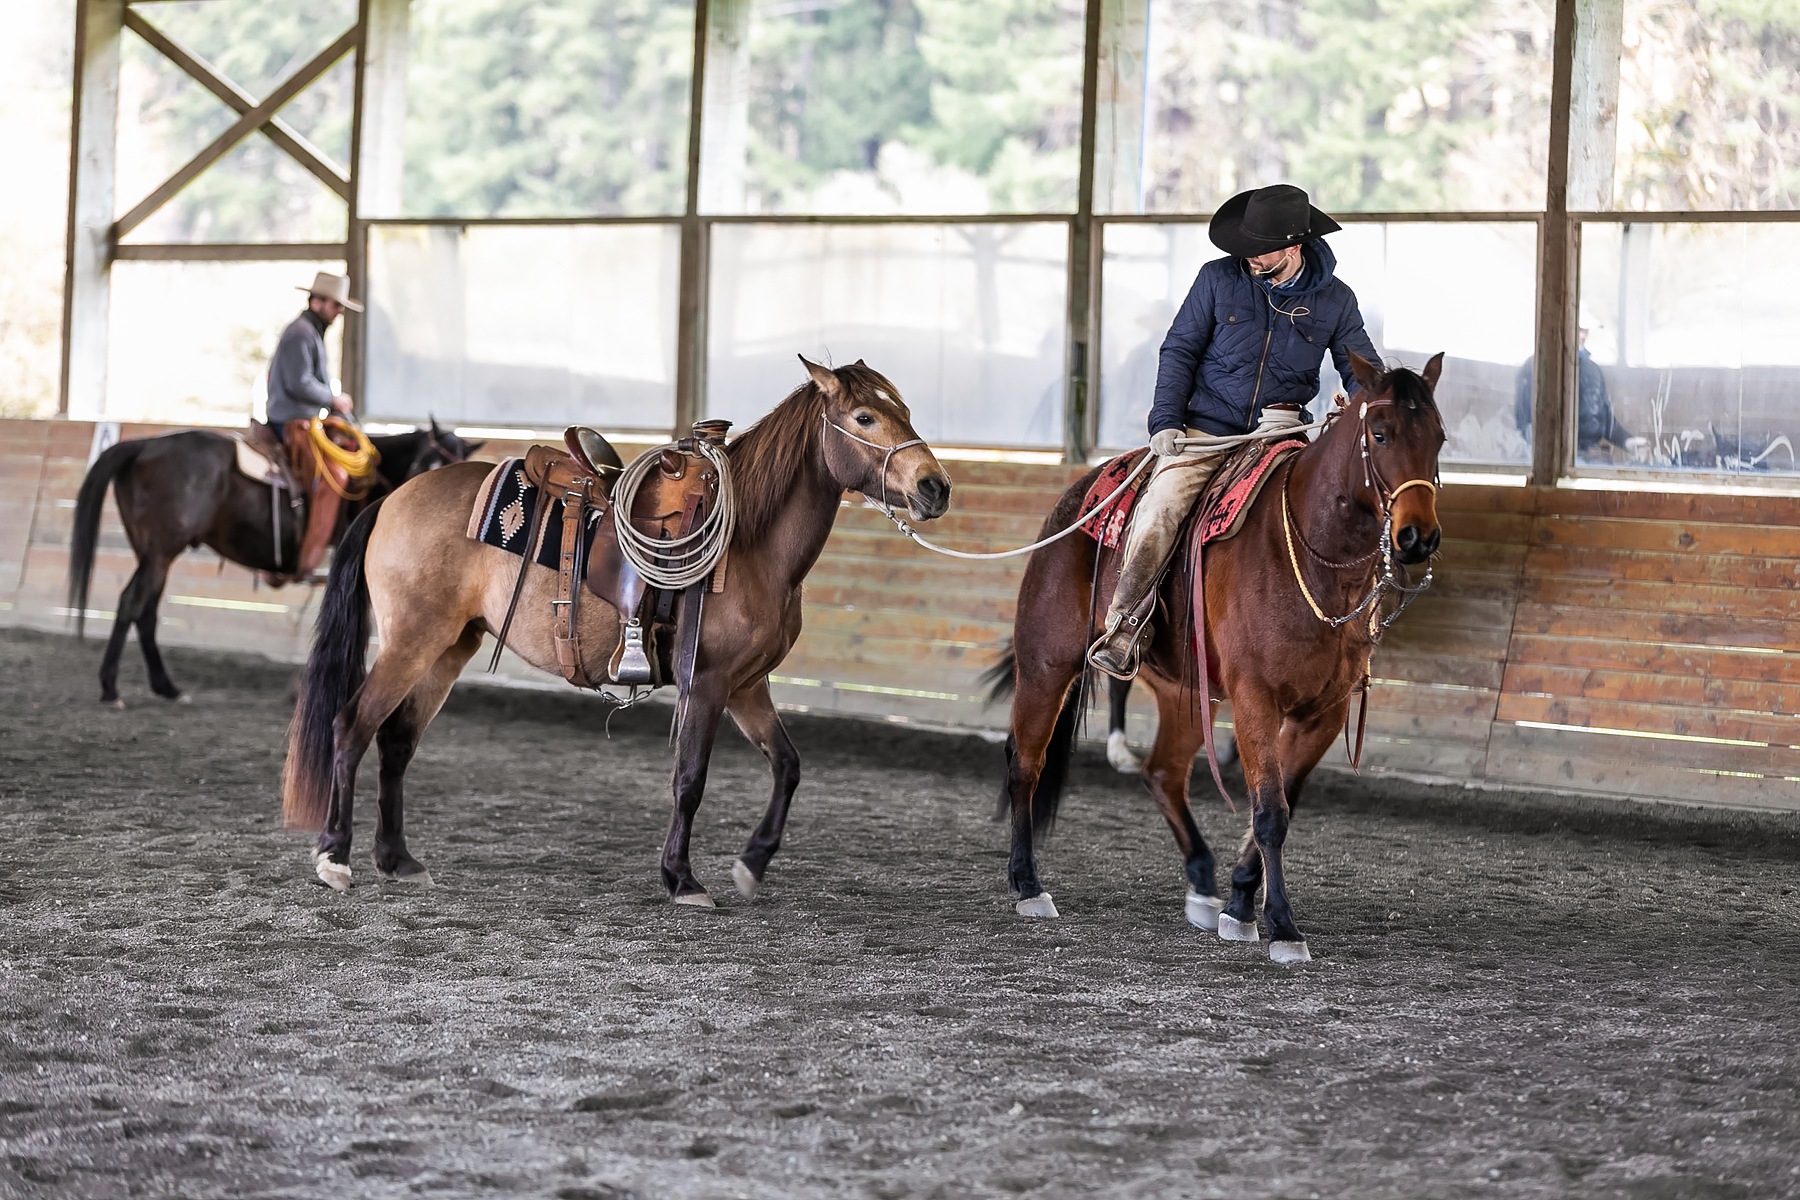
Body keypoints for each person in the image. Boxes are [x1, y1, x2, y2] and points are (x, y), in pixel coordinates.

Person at [1087, 184, 1380, 680]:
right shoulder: (1217, 279)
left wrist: (1366, 403)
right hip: (1206, 429)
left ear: (1293, 247)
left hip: (1282, 431)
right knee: (1162, 507)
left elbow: (1360, 372)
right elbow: (1178, 349)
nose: (1245, 257)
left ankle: (1352, 640)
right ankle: (1126, 624)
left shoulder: (1336, 300)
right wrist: (1165, 422)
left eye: (1258, 248)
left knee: (1346, 513)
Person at [263, 271, 361, 582]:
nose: (339, 312)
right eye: (336, 305)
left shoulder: (308, 332)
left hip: (304, 419)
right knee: (335, 476)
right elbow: (299, 383)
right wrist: (334, 399)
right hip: (293, 422)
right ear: (317, 302)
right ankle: (307, 561)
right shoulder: (302, 334)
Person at [1513, 328, 1627, 460]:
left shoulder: (1593, 371)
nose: (1582, 335)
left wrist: (1628, 442)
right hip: (1552, 460)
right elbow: (1528, 428)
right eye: (1578, 329)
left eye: (1585, 331)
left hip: (1589, 462)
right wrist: (1581, 454)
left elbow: (1607, 423)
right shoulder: (1534, 369)